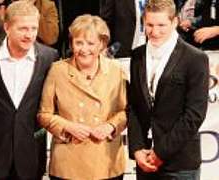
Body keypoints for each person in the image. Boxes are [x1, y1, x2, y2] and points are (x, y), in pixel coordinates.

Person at [0, 1, 58, 179]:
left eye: (34, 28)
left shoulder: (49, 57)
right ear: (7, 27)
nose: (29, 35)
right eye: (23, 29)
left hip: (30, 157)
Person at [38, 14, 127, 180]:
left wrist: (111, 126)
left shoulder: (116, 70)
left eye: (91, 43)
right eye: (78, 42)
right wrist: (68, 127)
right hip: (68, 162)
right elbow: (44, 115)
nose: (84, 49)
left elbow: (126, 111)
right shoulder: (58, 70)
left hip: (106, 161)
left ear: (102, 44)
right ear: (71, 43)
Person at [128, 0, 209, 179]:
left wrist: (160, 152)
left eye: (161, 25)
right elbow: (133, 106)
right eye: (149, 24)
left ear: (175, 22)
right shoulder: (137, 55)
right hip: (144, 161)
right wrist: (137, 149)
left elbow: (194, 115)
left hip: (180, 164)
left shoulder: (195, 58)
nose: (154, 32)